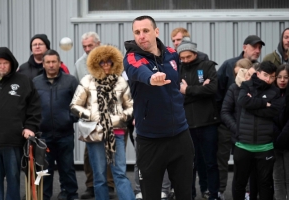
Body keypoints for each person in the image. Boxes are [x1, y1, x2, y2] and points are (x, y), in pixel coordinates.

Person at [123, 15, 194, 200]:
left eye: (146, 31)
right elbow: (139, 69)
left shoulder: (171, 53)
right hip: (150, 140)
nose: (141, 36)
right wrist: (151, 78)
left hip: (180, 135)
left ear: (156, 32)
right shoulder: (131, 57)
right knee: (151, 195)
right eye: (137, 32)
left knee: (185, 193)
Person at [70, 45, 135, 200]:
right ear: (96, 63)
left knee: (120, 173)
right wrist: (92, 115)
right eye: (102, 62)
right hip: (95, 133)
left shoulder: (120, 82)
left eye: (109, 62)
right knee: (99, 176)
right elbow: (74, 105)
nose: (106, 65)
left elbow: (131, 107)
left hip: (117, 133)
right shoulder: (87, 81)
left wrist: (117, 118)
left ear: (114, 63)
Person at [216, 35, 265, 199]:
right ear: (245, 47)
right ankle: (220, 190)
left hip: (250, 130)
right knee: (222, 160)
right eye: (254, 47)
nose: (257, 50)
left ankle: (249, 192)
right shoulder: (229, 65)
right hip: (227, 125)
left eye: (259, 48)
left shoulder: (261, 70)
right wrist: (226, 122)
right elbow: (218, 93)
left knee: (248, 163)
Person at [0, 47, 41, 200]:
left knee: (13, 179)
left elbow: (35, 107)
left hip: (13, 140)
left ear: (12, 64)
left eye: (6, 63)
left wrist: (30, 127)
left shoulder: (23, 81)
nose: (2, 66)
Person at [177, 37, 220, 200]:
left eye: (188, 57)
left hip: (208, 122)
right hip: (186, 125)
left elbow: (213, 89)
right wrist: (201, 90)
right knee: (189, 164)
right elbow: (176, 95)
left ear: (195, 53)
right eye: (182, 58)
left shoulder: (207, 65)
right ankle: (190, 194)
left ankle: (213, 194)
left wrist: (188, 91)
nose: (185, 60)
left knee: (210, 162)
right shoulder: (177, 70)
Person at [33, 50, 79, 200]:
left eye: (54, 62)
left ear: (59, 63)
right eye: (48, 62)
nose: (51, 65)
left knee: (67, 168)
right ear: (43, 64)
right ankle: (44, 196)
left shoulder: (70, 81)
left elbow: (79, 103)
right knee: (44, 170)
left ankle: (71, 195)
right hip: (43, 136)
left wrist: (70, 118)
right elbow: (31, 106)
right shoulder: (36, 82)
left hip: (65, 134)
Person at [232, 61, 282, 200]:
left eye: (272, 77)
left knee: (265, 184)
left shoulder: (275, 91)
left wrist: (252, 104)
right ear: (258, 73)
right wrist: (264, 103)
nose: (268, 79)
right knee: (239, 183)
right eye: (265, 75)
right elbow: (243, 101)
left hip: (265, 146)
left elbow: (274, 111)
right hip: (243, 145)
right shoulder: (247, 85)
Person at [272, 64, 289, 200]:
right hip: (274, 143)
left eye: (286, 77)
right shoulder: (271, 95)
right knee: (277, 178)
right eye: (279, 77)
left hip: (287, 142)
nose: (282, 80)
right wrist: (276, 138)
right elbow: (268, 116)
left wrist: (282, 137)